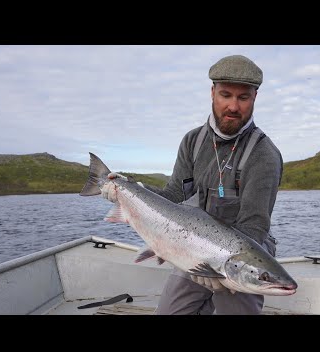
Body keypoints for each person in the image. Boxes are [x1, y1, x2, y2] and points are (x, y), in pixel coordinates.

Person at [102, 54, 283, 315]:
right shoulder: (193, 141)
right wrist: (129, 188)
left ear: (255, 97)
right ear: (212, 93)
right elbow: (174, 196)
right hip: (190, 245)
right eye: (225, 95)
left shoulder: (264, 155)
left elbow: (254, 227)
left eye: (243, 97)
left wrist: (222, 272)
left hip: (241, 257)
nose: (233, 106)